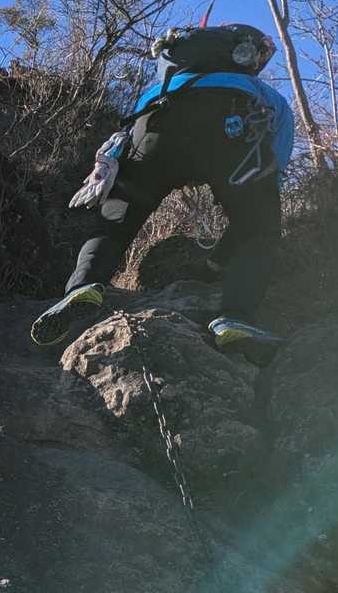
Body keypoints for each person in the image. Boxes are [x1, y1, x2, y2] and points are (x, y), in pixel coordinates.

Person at [30, 22, 295, 365]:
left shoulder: (162, 86)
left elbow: (126, 136)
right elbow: (276, 164)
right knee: (259, 230)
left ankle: (83, 285)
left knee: (116, 220)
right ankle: (235, 316)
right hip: (229, 127)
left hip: (155, 124)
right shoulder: (257, 90)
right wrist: (234, 236)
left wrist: (108, 171)